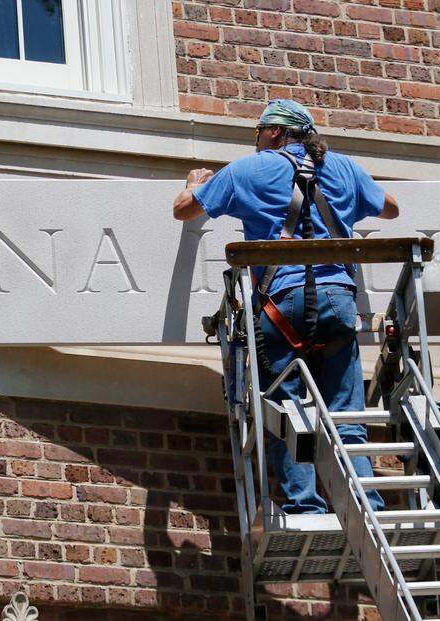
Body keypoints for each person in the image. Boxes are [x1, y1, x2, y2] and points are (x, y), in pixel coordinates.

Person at [172, 99, 399, 515]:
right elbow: (391, 208)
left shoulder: (247, 170)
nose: (256, 140)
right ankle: (368, 503)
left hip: (281, 306)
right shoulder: (343, 167)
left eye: (258, 132)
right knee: (347, 413)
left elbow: (184, 211)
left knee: (288, 407)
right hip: (337, 299)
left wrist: (191, 183)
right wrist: (347, 187)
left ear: (275, 133)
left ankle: (306, 507)